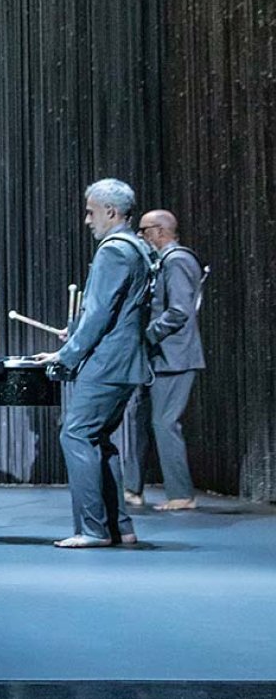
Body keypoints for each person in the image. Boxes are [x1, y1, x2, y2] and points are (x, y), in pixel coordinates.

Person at [34, 178, 155, 547]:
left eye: (90, 212)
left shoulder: (113, 250)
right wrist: (75, 333)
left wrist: (67, 355)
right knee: (98, 439)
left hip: (107, 363)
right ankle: (120, 527)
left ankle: (92, 529)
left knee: (76, 434)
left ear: (110, 212)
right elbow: (115, 312)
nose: (87, 220)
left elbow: (100, 312)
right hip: (123, 361)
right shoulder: (139, 248)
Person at [123, 209, 205, 511]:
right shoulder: (164, 262)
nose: (141, 237)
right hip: (158, 358)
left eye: (144, 231)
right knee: (140, 420)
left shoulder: (178, 260)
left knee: (165, 422)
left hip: (175, 357)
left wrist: (145, 336)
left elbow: (179, 311)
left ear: (160, 231)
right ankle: (132, 489)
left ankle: (182, 494)